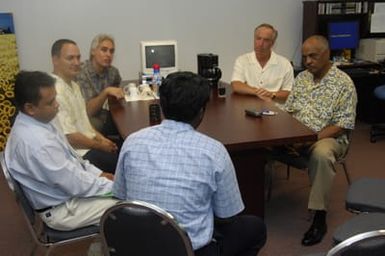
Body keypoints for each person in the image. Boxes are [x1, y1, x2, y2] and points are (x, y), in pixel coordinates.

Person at [113, 71, 266, 256]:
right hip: (188, 251)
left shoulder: (132, 142)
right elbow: (227, 217)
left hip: (136, 246)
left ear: (161, 104)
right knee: (255, 228)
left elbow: (121, 197)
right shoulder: (214, 151)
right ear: (202, 110)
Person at [4, 71, 119, 231]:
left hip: (67, 194)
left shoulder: (38, 121)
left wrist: (98, 174)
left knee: (122, 192)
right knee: (131, 207)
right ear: (30, 108)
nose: (57, 105)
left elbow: (73, 160)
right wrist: (116, 186)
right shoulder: (37, 143)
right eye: (51, 102)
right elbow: (75, 183)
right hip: (62, 209)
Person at [278, 35, 357, 246]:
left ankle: (319, 218)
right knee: (257, 141)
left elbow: (342, 123)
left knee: (321, 154)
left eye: (313, 56)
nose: (308, 62)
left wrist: (308, 139)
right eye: (305, 57)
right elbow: (289, 110)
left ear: (327, 54)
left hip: (329, 137)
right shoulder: (302, 78)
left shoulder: (344, 84)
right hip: (298, 136)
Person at [51, 39, 118, 173]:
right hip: (78, 155)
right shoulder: (54, 91)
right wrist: (100, 145)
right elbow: (70, 138)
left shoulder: (74, 86)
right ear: (55, 60)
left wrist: (103, 139)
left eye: (78, 57)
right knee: (125, 163)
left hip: (89, 144)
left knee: (123, 150)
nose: (76, 63)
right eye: (70, 58)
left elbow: (84, 123)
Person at [231, 23, 294, 102]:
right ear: (254, 39)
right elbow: (236, 85)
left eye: (266, 40)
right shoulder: (242, 60)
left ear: (272, 43)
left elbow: (289, 92)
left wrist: (272, 94)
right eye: (258, 38)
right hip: (249, 107)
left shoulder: (285, 64)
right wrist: (257, 92)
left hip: (274, 109)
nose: (260, 44)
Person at [76, 34, 124, 135]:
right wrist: (106, 92)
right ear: (93, 51)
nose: (108, 54)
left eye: (111, 51)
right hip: (89, 119)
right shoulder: (82, 73)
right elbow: (88, 112)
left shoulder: (113, 72)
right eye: (104, 50)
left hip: (108, 115)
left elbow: (117, 95)